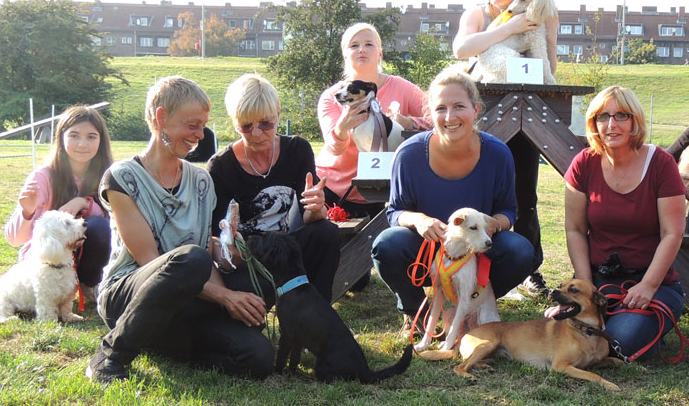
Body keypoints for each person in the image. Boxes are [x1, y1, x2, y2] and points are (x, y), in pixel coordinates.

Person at [85, 76, 275, 383]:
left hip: (185, 298)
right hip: (128, 294)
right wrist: (225, 299)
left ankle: (162, 343)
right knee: (192, 260)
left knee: (259, 357)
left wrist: (229, 251)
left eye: (203, 125)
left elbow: (202, 248)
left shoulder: (201, 181)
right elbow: (150, 260)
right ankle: (109, 356)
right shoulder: (122, 178)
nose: (201, 135)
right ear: (162, 118)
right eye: (192, 125)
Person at [371, 69, 535, 330]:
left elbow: (508, 210)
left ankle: (473, 303)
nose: (450, 117)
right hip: (428, 246)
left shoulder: (498, 153)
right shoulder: (409, 154)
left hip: (475, 247)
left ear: (476, 109)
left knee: (521, 251)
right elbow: (395, 212)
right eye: (440, 108)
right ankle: (415, 313)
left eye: (459, 106)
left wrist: (494, 225)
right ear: (430, 114)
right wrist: (420, 220)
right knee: (387, 245)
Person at [452, 0, 558, 297]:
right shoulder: (478, 13)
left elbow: (549, 58)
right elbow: (462, 48)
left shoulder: (540, 10)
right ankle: (465, 258)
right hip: (485, 111)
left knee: (525, 190)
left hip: (528, 112)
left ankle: (529, 268)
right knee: (479, 186)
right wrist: (509, 27)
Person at [564, 86, 687, 360]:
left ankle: (646, 332)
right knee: (567, 334)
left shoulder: (662, 164)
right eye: (603, 116)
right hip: (600, 281)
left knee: (618, 342)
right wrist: (585, 286)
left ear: (635, 121)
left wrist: (649, 285)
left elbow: (673, 233)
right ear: (593, 123)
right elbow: (574, 230)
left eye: (621, 115)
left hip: (654, 283)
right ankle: (635, 329)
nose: (611, 124)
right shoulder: (583, 163)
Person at [208, 73, 340, 301]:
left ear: (278, 114)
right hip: (246, 257)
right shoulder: (221, 166)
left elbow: (310, 218)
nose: (257, 133)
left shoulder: (297, 150)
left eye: (266, 124)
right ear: (234, 124)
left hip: (286, 248)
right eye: (246, 127)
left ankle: (318, 313)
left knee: (326, 232)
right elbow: (216, 237)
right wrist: (230, 247)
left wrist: (317, 208)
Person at [316, 22, 428, 219]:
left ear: (380, 53)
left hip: (384, 192)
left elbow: (439, 118)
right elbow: (334, 148)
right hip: (334, 190)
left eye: (369, 44)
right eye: (354, 45)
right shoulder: (332, 96)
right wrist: (343, 125)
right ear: (344, 54)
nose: (361, 50)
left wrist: (409, 123)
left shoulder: (402, 87)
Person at [5, 105, 113, 299]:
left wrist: (85, 203)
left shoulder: (110, 176)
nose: (82, 144)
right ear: (61, 137)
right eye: (74, 135)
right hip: (48, 266)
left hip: (89, 262)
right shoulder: (43, 177)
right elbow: (15, 240)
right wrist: (27, 213)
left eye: (91, 137)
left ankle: (90, 285)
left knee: (99, 226)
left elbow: (115, 224)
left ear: (101, 141)